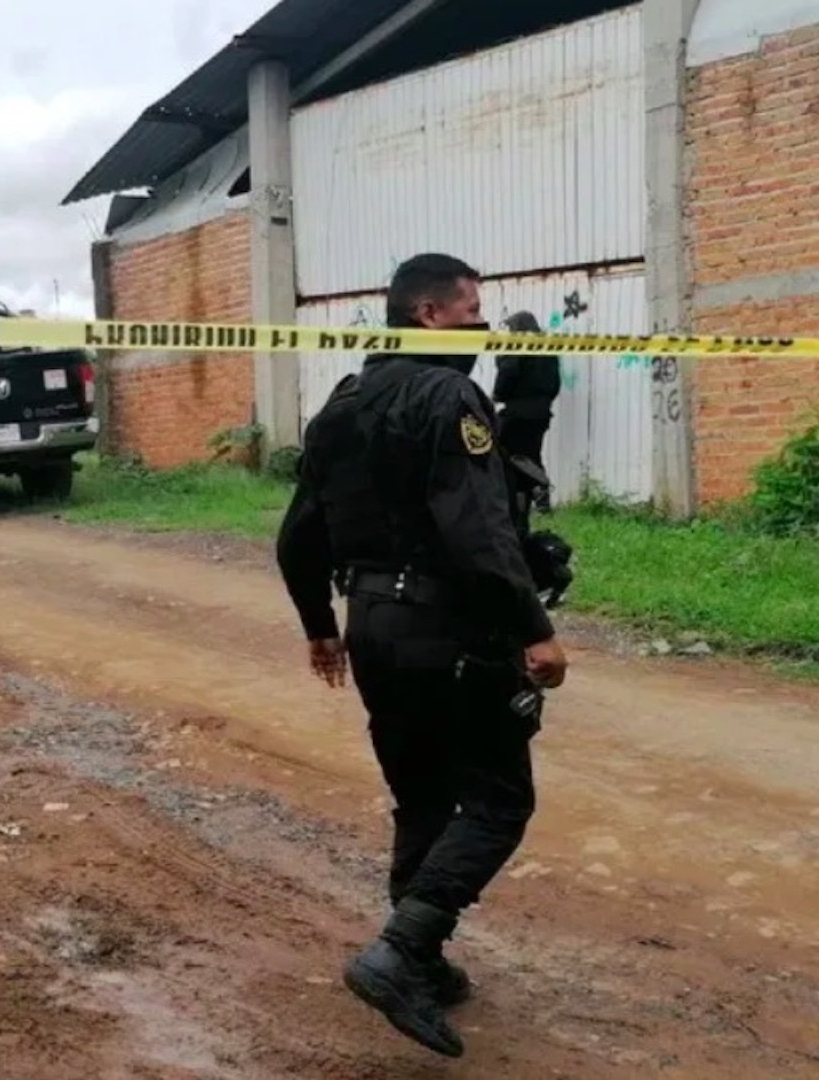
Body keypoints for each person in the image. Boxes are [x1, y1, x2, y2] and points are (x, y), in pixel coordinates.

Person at [274, 252, 569, 1059]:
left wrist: (320, 626)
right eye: (472, 311)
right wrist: (534, 627)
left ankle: (422, 959)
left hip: (372, 626)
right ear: (429, 315)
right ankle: (401, 952)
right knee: (500, 800)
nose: (482, 325)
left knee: (423, 795)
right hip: (449, 630)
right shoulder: (447, 395)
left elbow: (299, 533)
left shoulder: (343, 402)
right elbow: (478, 532)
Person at [492, 310, 560, 511]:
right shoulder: (547, 349)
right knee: (530, 453)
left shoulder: (517, 345)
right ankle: (533, 496)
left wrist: (497, 394)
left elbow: (508, 372)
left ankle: (535, 487)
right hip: (542, 411)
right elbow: (555, 383)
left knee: (507, 452)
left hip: (517, 410)